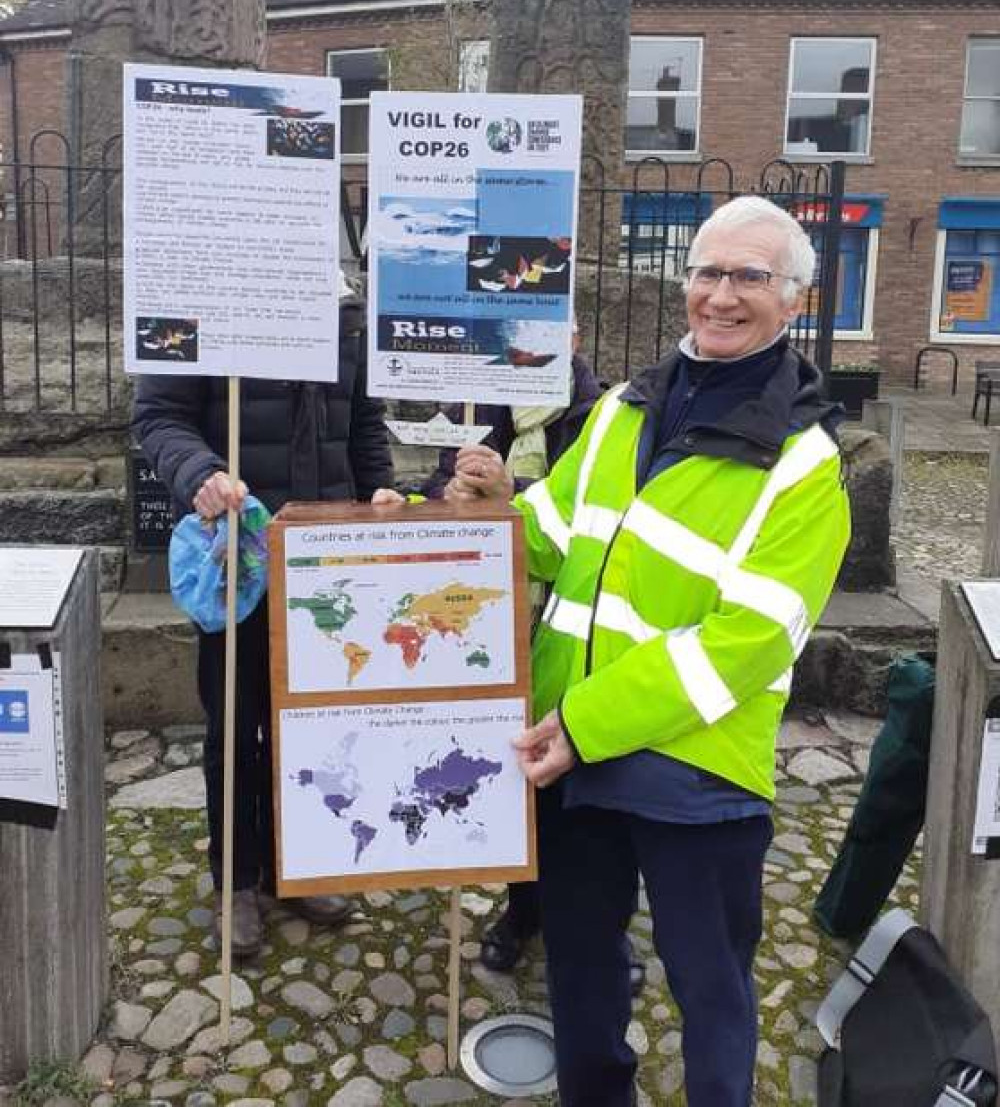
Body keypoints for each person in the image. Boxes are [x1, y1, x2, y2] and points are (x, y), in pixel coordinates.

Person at [443, 197, 852, 1107]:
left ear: (794, 299)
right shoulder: (626, 409)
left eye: (751, 276)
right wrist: (474, 518)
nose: (722, 295)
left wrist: (586, 723)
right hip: (572, 753)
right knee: (583, 978)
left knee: (709, 987)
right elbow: (547, 535)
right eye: (708, 272)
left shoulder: (803, 464)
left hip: (692, 770)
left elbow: (744, 645)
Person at [132, 273, 394, 959]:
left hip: (327, 556)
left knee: (311, 725)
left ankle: (297, 866)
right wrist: (200, 473)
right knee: (235, 724)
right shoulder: (193, 289)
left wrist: (379, 494)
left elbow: (361, 421)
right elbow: (158, 416)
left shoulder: (345, 309)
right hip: (240, 561)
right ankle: (237, 880)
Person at [416, 342, 644, 994]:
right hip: (493, 616)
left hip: (572, 630)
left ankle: (611, 923)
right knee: (519, 775)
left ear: (573, 334)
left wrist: (511, 491)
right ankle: (522, 912)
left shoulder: (601, 413)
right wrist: (455, 490)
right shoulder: (474, 399)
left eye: (550, 322)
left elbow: (594, 517)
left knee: (599, 788)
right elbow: (438, 486)